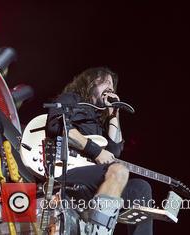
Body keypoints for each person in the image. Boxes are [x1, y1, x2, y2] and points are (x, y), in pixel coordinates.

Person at [46, 67, 153, 235]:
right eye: (106, 82)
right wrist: (95, 151)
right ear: (90, 82)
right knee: (119, 171)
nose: (110, 87)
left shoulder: (99, 122)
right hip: (64, 169)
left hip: (93, 179)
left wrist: (113, 112)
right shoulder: (72, 99)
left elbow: (115, 151)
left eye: (112, 84)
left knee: (141, 188)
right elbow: (56, 126)